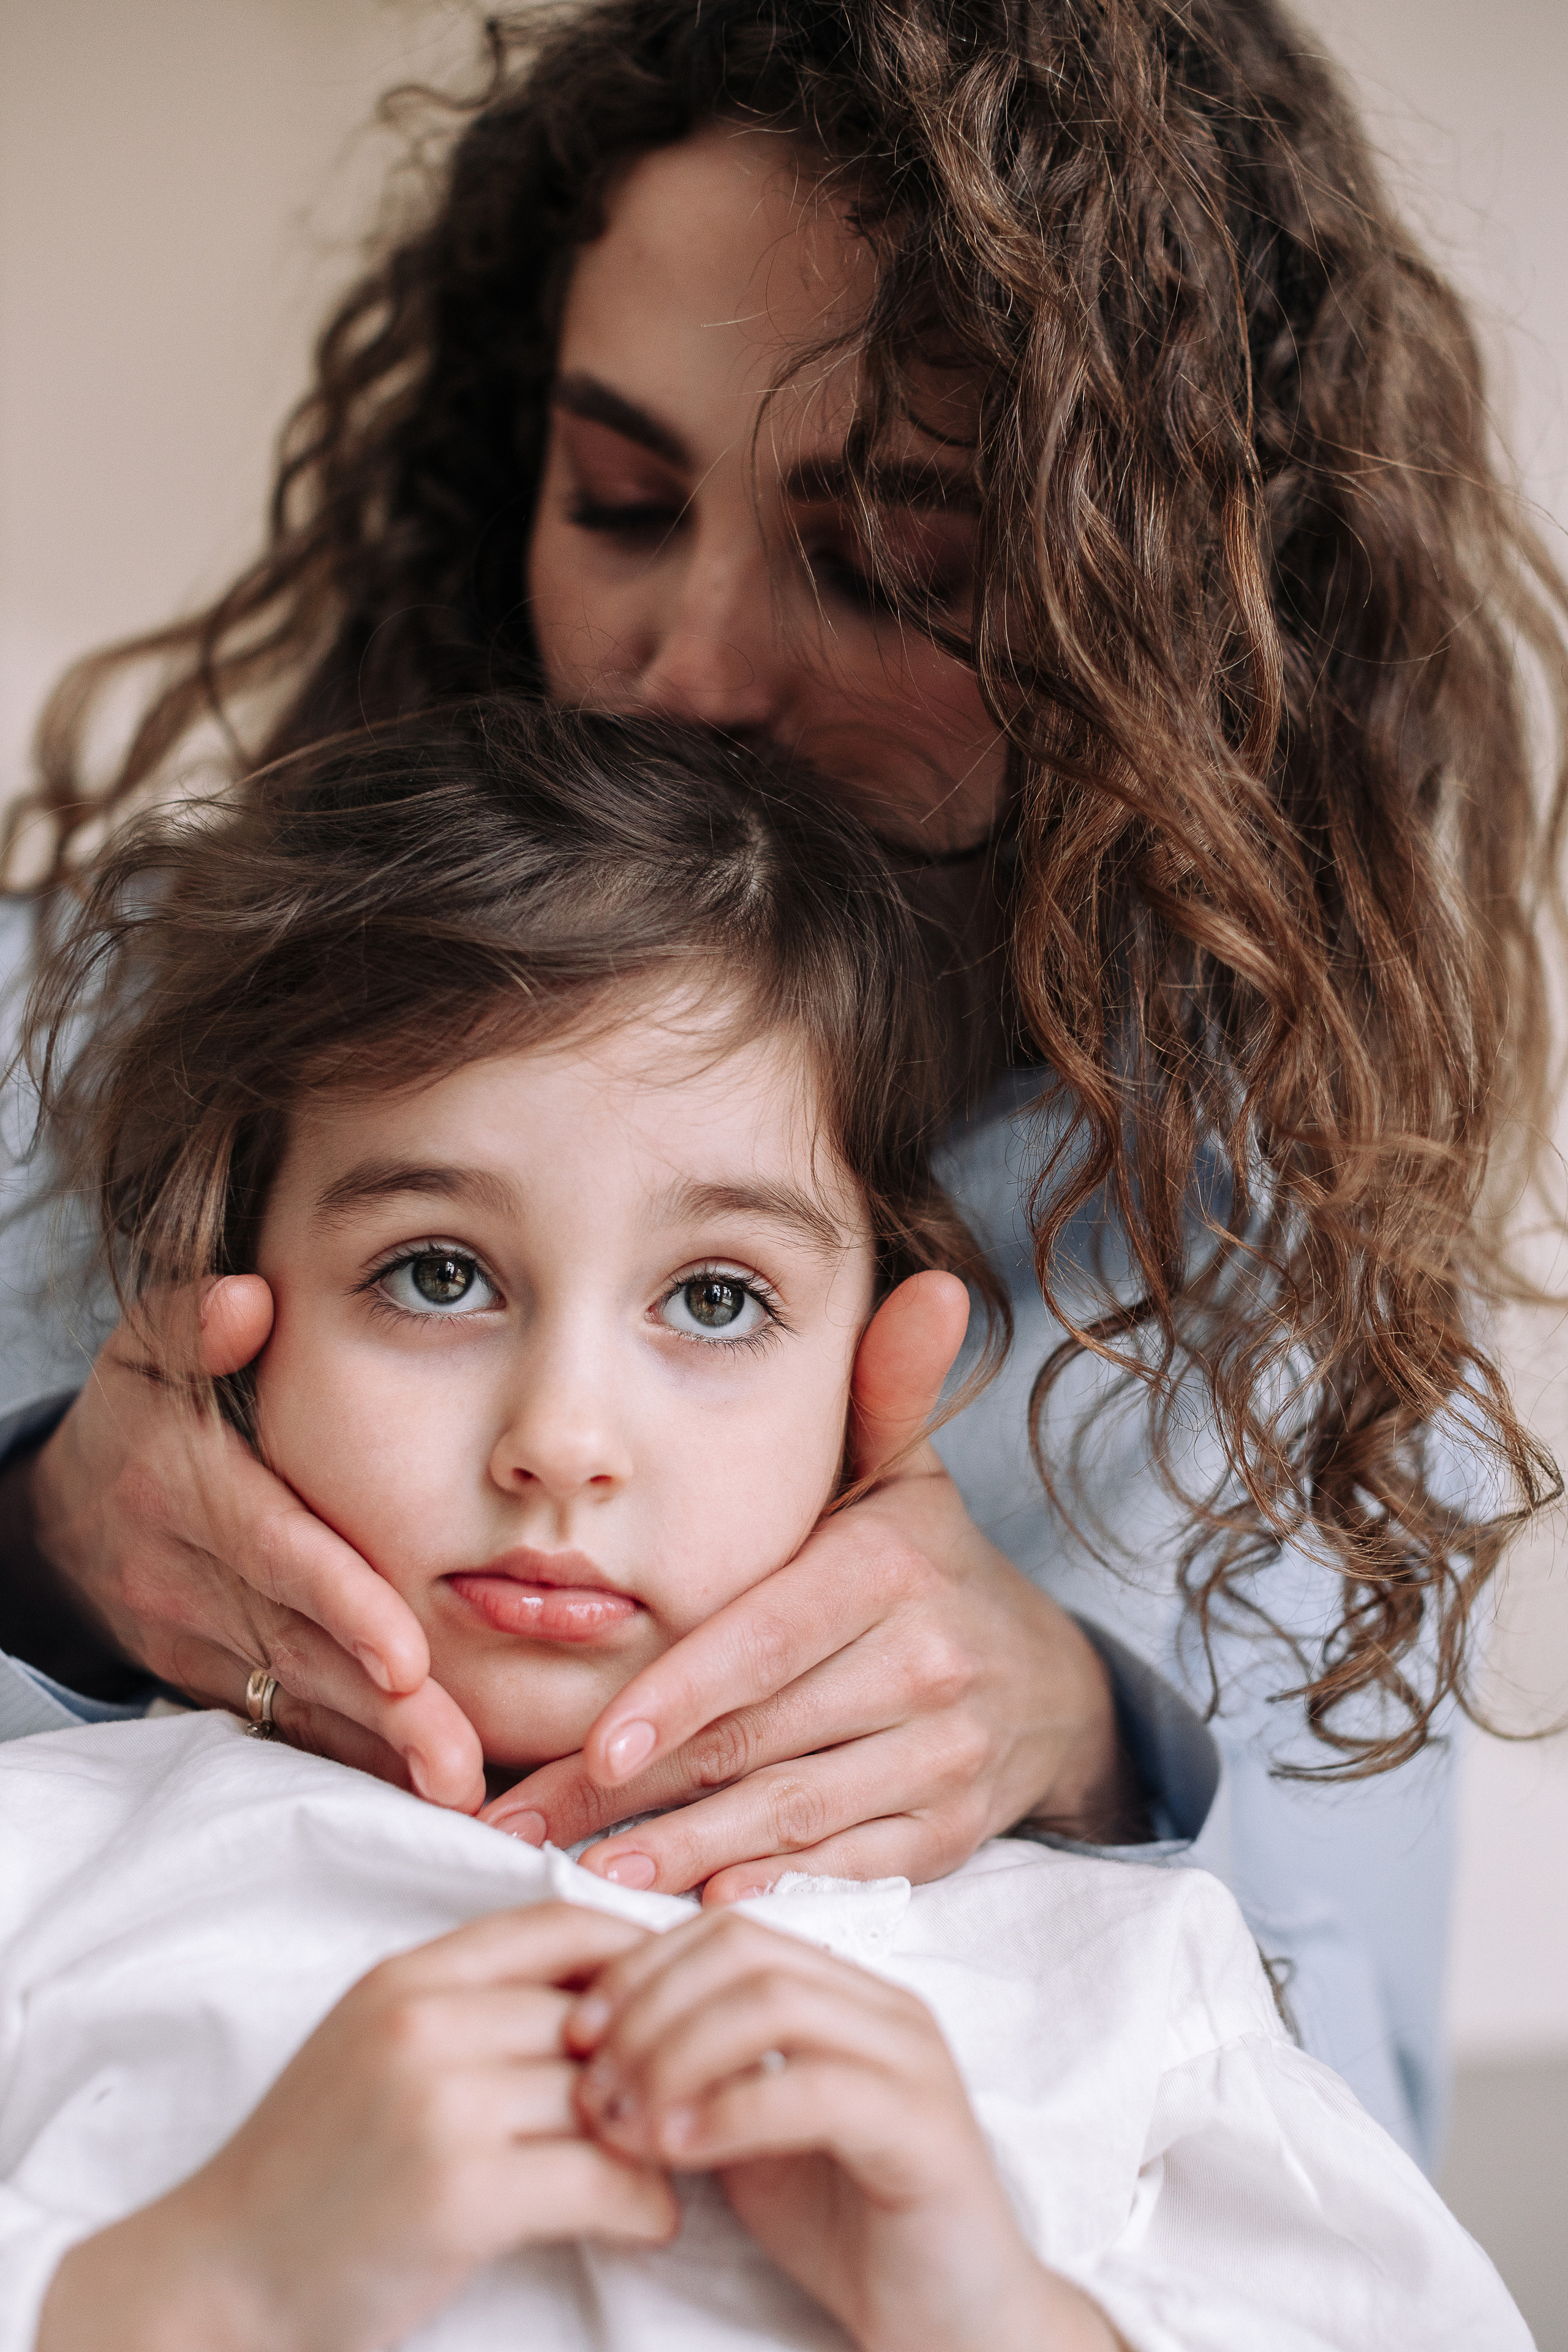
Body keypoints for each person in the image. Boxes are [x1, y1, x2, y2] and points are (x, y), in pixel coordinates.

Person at [2, 0, 1564, 2166]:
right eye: (621, 502)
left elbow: (1349, 2189)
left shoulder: (1244, 1248)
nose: (695, 672)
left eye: (886, 557)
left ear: (1170, 618)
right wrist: (31, 1543)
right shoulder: (110, 1022)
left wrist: (1082, 1755)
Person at [3, 705, 1526, 2352]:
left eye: (717, 1300)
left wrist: (997, 2316)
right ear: (225, 1309)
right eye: (437, 1274)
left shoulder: (1124, 1982)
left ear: (877, 1379)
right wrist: (192, 2294)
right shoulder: (40, 1875)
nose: (563, 1444)